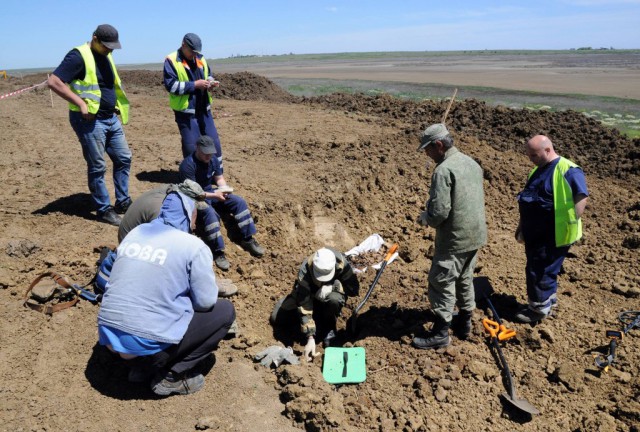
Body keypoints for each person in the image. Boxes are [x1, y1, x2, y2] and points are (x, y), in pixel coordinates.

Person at [97, 190, 236, 396]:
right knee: (225, 312)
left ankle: (136, 367)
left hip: (109, 341)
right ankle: (171, 376)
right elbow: (206, 303)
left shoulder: (136, 233)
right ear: (188, 216)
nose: (195, 225)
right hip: (144, 346)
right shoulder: (193, 246)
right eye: (195, 218)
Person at [48, 24, 133, 226]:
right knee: (97, 166)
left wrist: (116, 105)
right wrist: (79, 103)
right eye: (106, 46)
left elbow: (107, 85)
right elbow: (54, 81)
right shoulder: (78, 56)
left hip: (110, 118)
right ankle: (104, 209)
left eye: (113, 47)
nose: (110, 50)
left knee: (124, 158)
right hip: (89, 121)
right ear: (94, 38)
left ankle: (122, 201)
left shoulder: (106, 54)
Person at [413, 123, 487, 350]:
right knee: (465, 278)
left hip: (454, 239)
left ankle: (441, 332)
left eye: (428, 149)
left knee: (441, 281)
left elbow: (439, 213)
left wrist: (426, 217)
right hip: (475, 235)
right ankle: (465, 323)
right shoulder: (471, 162)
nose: (427, 154)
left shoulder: (443, 170)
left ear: (438, 145)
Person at [95, 180, 237, 297]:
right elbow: (172, 258)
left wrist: (212, 195)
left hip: (135, 239)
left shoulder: (172, 192)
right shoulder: (163, 214)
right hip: (138, 252)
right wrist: (203, 283)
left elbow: (192, 194)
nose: (193, 226)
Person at [514, 135, 588, 324]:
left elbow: (581, 199)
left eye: (534, 155)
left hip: (553, 235)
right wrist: (522, 227)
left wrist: (570, 222)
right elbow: (527, 200)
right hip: (535, 233)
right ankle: (548, 302)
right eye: (529, 155)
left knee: (539, 271)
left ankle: (538, 309)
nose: (531, 159)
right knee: (541, 269)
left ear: (547, 150)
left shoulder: (568, 170)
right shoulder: (537, 170)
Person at [179, 135, 264, 271]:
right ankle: (217, 251)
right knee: (210, 215)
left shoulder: (212, 159)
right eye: (205, 153)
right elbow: (194, 192)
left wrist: (224, 189)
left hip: (211, 193)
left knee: (239, 202)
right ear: (197, 149)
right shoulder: (187, 165)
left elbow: (219, 178)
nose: (209, 157)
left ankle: (248, 239)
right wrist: (215, 195)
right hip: (196, 198)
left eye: (211, 153)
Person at [270, 247, 360, 362]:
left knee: (334, 299)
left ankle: (329, 327)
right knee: (276, 318)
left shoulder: (341, 264)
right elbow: (304, 303)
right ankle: (310, 319)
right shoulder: (305, 271)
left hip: (330, 296)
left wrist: (333, 286)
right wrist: (310, 337)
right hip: (309, 295)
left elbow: (354, 289)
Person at [163, 33, 223, 168]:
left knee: (214, 142)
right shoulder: (171, 60)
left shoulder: (200, 58)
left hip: (204, 110)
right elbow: (171, 85)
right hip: (186, 112)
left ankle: (216, 174)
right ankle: (193, 176)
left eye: (197, 52)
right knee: (192, 145)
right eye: (192, 51)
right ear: (183, 45)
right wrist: (195, 85)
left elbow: (209, 74)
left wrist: (211, 82)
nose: (194, 55)